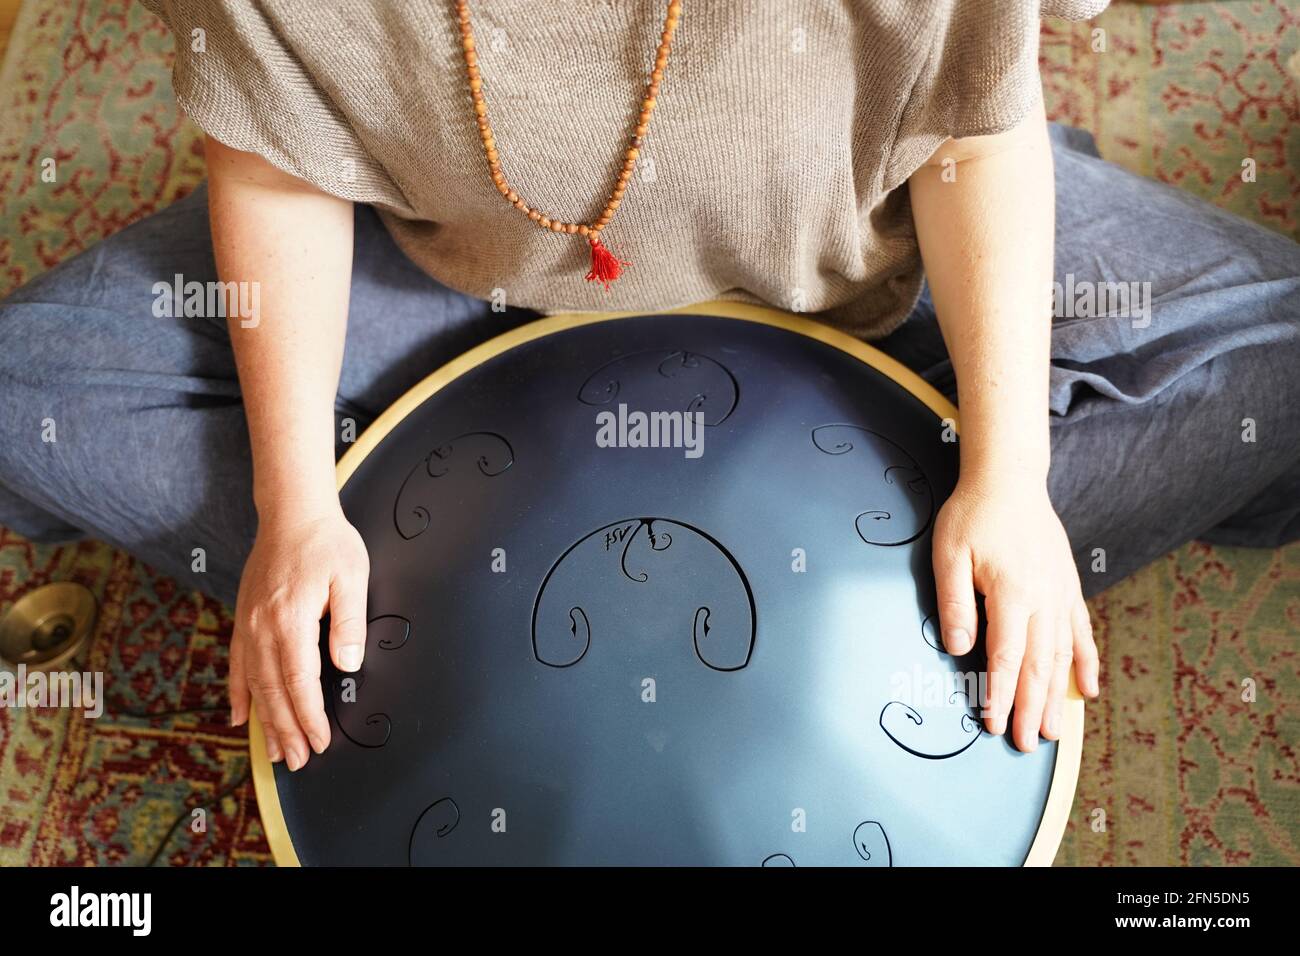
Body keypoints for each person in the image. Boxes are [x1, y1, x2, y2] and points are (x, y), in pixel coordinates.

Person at [1, 0, 1297, 775]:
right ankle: (458, 579)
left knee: (1282, 358)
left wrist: (1009, 483)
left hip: (852, 252)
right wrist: (295, 511)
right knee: (21, 396)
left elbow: (970, 140)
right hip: (451, 270)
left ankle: (466, 587)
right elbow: (280, 168)